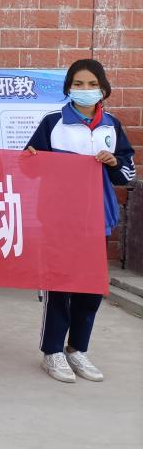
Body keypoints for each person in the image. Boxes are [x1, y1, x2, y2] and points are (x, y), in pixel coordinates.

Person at [27, 58, 135, 383]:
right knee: (60, 285)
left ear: (103, 89)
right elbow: (28, 167)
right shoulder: (53, 123)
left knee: (90, 287)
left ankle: (77, 349)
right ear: (68, 88)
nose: (85, 90)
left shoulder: (111, 126)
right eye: (78, 84)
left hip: (96, 218)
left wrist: (113, 162)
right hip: (59, 219)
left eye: (91, 84)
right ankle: (52, 352)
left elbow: (126, 173)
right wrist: (32, 159)